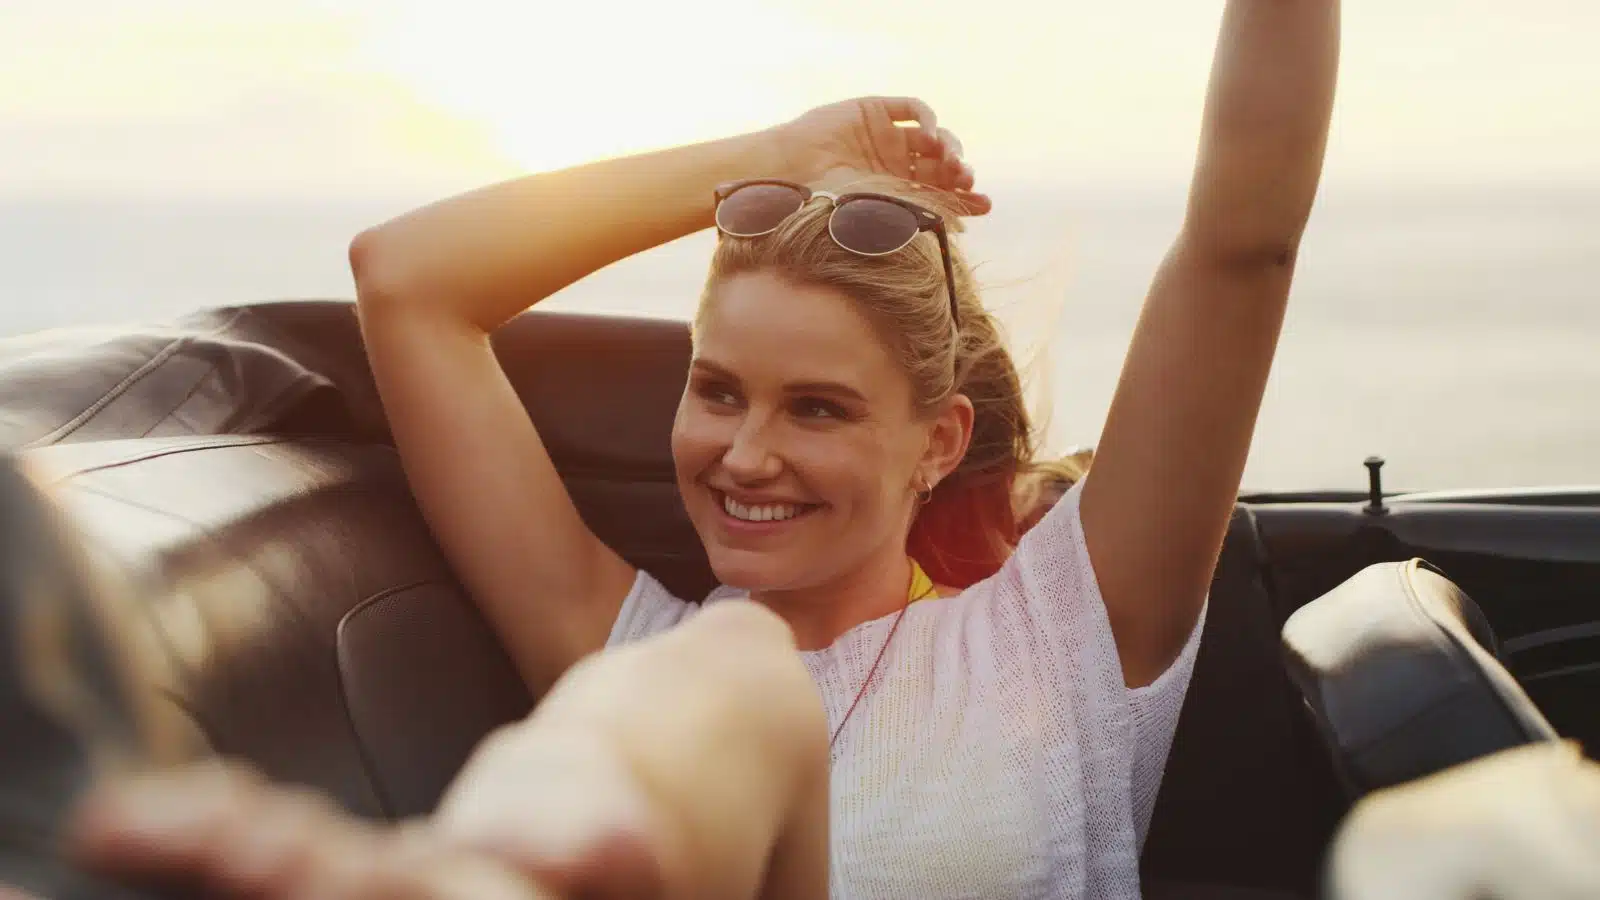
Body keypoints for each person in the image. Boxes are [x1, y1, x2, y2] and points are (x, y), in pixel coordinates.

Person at [13, 0, 1342, 897]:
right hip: (617, 770)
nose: (745, 454)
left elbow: (1243, 242)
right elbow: (405, 279)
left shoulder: (1071, 631)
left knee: (725, 678)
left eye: (815, 408)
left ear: (935, 441)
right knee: (719, 671)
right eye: (718, 390)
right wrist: (772, 154)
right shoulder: (625, 636)